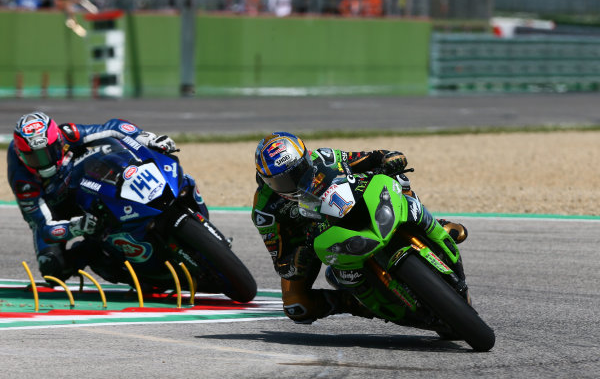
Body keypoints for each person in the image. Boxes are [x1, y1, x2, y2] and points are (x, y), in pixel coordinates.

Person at [252, 132, 469, 324]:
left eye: (298, 171)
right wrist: (297, 259)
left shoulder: (325, 157)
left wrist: (389, 157)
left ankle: (430, 226)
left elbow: (369, 158)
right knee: (296, 306)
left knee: (398, 179)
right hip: (312, 242)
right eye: (282, 181)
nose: (294, 182)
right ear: (265, 181)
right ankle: (356, 303)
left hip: (346, 202)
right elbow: (281, 263)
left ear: (306, 157)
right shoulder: (265, 211)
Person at [7, 112, 208, 284]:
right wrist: (76, 227)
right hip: (56, 206)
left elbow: (113, 127)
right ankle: (95, 251)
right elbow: (44, 227)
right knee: (52, 267)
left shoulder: (66, 133)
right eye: (34, 157)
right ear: (21, 154)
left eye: (47, 153)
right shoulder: (23, 180)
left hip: (80, 181)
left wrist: (146, 138)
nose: (43, 162)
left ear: (58, 141)